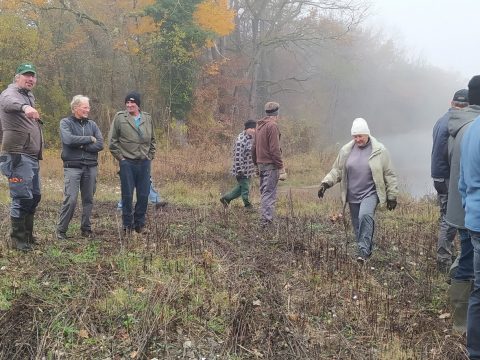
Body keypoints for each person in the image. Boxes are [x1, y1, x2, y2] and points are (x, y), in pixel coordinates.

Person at [318, 118, 398, 262]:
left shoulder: (380, 150)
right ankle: (364, 248)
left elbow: (389, 173)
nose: (358, 139)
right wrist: (325, 184)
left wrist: (392, 195)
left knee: (365, 217)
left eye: (360, 136)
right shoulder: (346, 150)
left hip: (370, 193)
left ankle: (363, 253)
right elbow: (337, 170)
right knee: (357, 226)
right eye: (355, 136)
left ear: (367, 134)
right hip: (352, 195)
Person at [444, 87, 478, 332]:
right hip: (471, 214)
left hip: (463, 209)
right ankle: (460, 323)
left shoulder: (459, 127)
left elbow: (462, 179)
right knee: (468, 263)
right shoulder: (472, 129)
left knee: (466, 258)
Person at [0, 63, 42, 251]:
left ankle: (27, 234)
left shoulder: (29, 95)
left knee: (34, 196)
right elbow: (9, 103)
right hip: (17, 154)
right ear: (17, 77)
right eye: (26, 75)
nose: (30, 79)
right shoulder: (10, 93)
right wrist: (25, 107)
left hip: (31, 156)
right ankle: (18, 240)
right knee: (21, 197)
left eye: (33, 76)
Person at [56, 95, 104, 240]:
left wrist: (81, 146)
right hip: (72, 167)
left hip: (91, 167)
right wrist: (89, 139)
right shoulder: (65, 123)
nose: (88, 110)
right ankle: (61, 230)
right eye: (85, 107)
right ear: (76, 107)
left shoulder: (93, 125)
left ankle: (86, 229)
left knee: (88, 199)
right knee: (70, 199)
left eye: (88, 107)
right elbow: (68, 140)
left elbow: (100, 144)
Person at [431, 89, 469, 272]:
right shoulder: (455, 124)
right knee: (449, 218)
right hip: (447, 176)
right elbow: (451, 153)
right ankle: (443, 260)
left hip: (438, 175)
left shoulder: (441, 120)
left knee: (445, 215)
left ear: (451, 102)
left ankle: (448, 253)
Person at [108, 91, 156, 234]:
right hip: (127, 163)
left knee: (143, 195)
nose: (129, 105)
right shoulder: (120, 118)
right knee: (127, 195)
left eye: (132, 103)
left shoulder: (147, 118)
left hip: (144, 163)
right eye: (127, 103)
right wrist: (121, 159)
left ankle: (139, 224)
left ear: (138, 105)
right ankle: (127, 225)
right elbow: (112, 141)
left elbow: (153, 140)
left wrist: (150, 156)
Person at [458, 75, 480, 359]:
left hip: (474, 220)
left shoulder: (470, 130)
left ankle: (474, 351)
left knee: (478, 290)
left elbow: (463, 184)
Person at [252, 102, 286, 227]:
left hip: (261, 164)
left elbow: (254, 147)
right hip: (270, 166)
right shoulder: (272, 126)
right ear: (277, 114)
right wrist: (281, 167)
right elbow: (274, 150)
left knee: (265, 193)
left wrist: (256, 164)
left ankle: (265, 220)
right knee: (269, 193)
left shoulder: (259, 126)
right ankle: (266, 222)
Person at [220, 119, 256, 208]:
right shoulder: (241, 140)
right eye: (251, 128)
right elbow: (237, 157)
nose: (253, 130)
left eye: (254, 128)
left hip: (249, 170)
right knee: (245, 188)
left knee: (240, 189)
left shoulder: (251, 138)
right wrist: (240, 170)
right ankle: (247, 205)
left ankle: (226, 198)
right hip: (242, 170)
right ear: (246, 129)